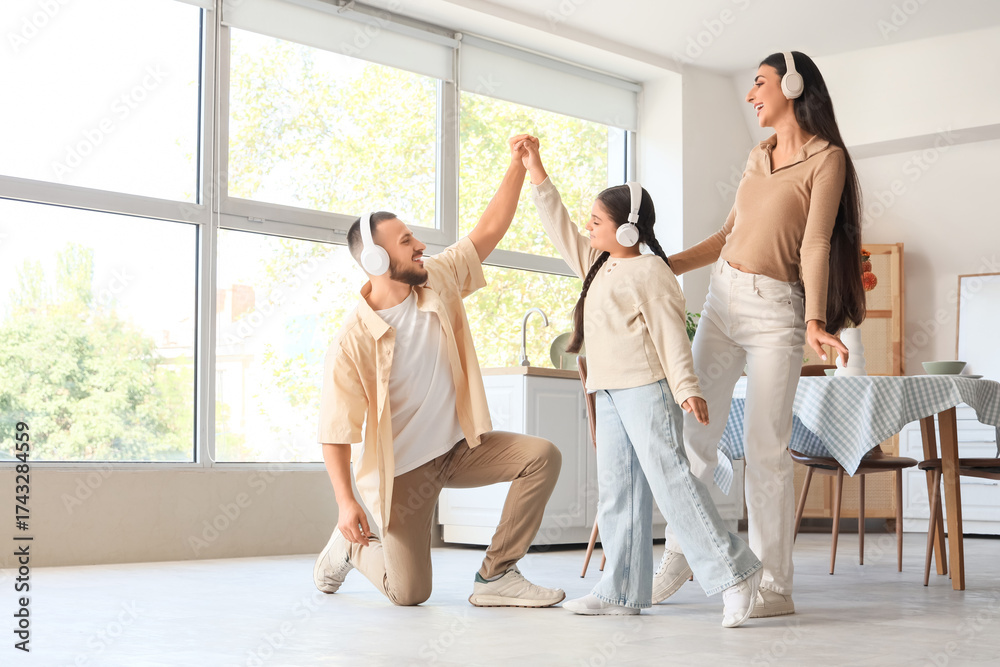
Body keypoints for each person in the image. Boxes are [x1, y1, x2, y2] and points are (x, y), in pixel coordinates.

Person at [653, 51, 866, 618]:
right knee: (692, 434)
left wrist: (816, 321)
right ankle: (683, 548)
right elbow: (728, 233)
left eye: (759, 83)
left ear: (792, 86)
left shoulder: (827, 159)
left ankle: (775, 587)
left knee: (766, 450)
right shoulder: (758, 155)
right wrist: (665, 264)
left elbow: (815, 244)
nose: (751, 95)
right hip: (722, 302)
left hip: (778, 311)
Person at [313, 134, 565, 608]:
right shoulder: (354, 339)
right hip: (405, 474)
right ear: (376, 259)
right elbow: (335, 429)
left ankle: (496, 577)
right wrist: (347, 505)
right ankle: (350, 546)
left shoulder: (437, 279)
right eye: (407, 241)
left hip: (459, 448)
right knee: (409, 594)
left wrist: (517, 164)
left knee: (542, 456)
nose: (420, 245)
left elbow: (488, 230)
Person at [523, 138, 762, 627]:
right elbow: (559, 226)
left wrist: (687, 388)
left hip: (646, 389)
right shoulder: (599, 263)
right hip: (608, 390)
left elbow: (672, 336)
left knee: (673, 484)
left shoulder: (652, 272)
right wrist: (537, 172)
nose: (588, 227)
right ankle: (620, 591)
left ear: (628, 228)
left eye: (598, 221)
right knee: (617, 491)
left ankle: (736, 573)